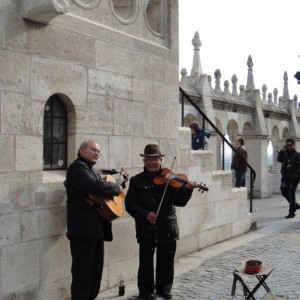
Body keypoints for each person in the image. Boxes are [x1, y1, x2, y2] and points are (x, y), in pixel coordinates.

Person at [125, 144, 197, 300]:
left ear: (160, 159)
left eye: (155, 159)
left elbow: (180, 202)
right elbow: (130, 203)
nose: (152, 162)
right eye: (148, 159)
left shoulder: (169, 179)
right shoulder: (136, 180)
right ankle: (146, 292)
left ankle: (164, 290)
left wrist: (187, 189)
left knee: (166, 261)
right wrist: (144, 214)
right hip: (146, 227)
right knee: (145, 263)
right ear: (144, 160)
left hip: (167, 226)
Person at [64, 140, 128, 300]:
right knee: (82, 277)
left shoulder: (89, 170)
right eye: (93, 150)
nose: (96, 153)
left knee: (94, 275)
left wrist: (121, 183)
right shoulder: (77, 168)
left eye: (98, 151)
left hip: (95, 231)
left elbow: (102, 192)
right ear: (82, 150)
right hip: (82, 231)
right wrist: (116, 188)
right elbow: (96, 187)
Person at [277, 138, 300, 218]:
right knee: (283, 191)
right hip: (285, 177)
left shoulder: (297, 155)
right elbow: (279, 159)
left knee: (291, 193)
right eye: (288, 145)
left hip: (293, 178)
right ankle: (295, 205)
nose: (289, 147)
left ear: (293, 145)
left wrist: (295, 177)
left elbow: (299, 168)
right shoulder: (285, 154)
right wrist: (282, 151)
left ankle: (291, 212)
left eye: (291, 145)